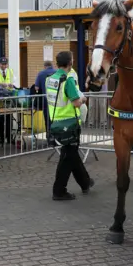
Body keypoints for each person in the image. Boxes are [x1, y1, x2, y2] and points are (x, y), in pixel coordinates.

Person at [46, 51, 94, 201]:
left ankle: (85, 182)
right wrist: (84, 99)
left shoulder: (50, 79)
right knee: (68, 157)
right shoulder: (68, 80)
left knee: (71, 155)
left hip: (56, 122)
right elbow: (76, 102)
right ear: (71, 63)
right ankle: (59, 191)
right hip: (70, 123)